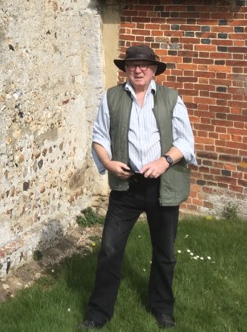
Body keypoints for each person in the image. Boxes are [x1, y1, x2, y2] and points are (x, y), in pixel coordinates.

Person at [80, 45, 196, 330]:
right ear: (126, 69)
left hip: (162, 186)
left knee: (165, 253)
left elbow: (186, 142)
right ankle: (98, 313)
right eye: (133, 64)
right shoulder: (111, 97)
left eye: (145, 64)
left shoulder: (171, 98)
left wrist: (164, 161)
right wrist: (107, 163)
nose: (139, 69)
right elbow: (99, 137)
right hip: (126, 185)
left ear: (154, 69)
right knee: (109, 249)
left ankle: (162, 308)